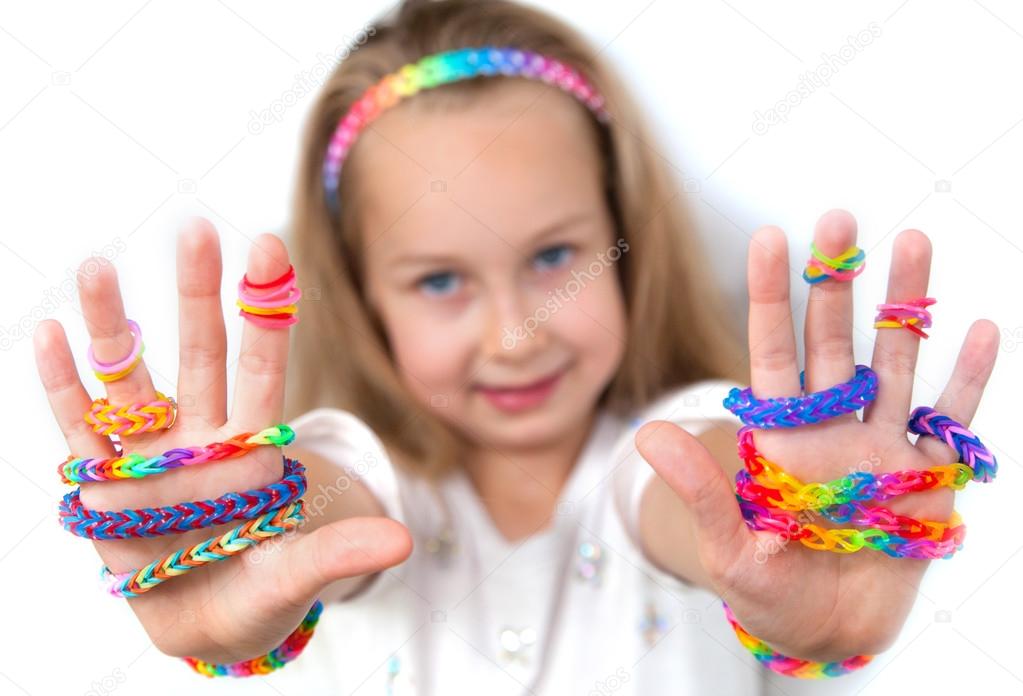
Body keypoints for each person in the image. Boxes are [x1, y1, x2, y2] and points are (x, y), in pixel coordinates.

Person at [34, 0, 999, 693]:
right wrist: (242, 518)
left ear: (624, 245)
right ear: (367, 301)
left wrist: (788, 507)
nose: (513, 333)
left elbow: (686, 484)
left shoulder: (668, 451)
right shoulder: (354, 474)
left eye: (551, 256)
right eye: (439, 281)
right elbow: (318, 500)